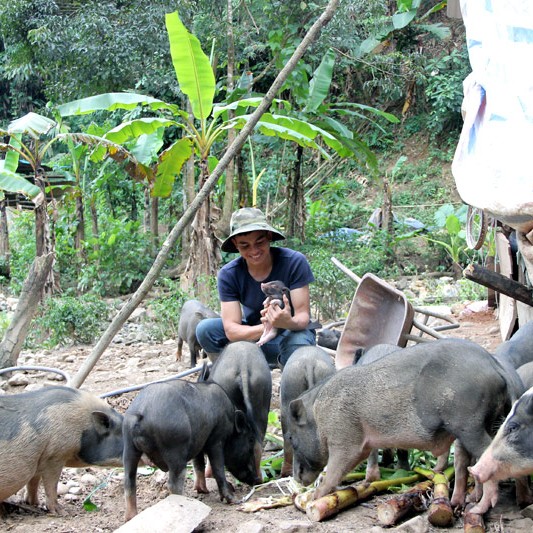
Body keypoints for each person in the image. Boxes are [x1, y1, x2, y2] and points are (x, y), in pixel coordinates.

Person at [196, 207, 317, 368]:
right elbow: (231, 330)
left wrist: (284, 323)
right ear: (235, 244)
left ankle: (290, 372)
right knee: (205, 329)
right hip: (255, 334)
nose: (254, 251)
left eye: (259, 242)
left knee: (298, 347)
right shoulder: (228, 274)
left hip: (292, 333)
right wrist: (269, 327)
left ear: (268, 236)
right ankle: (228, 374)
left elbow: (302, 318)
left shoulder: (294, 262)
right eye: (245, 246)